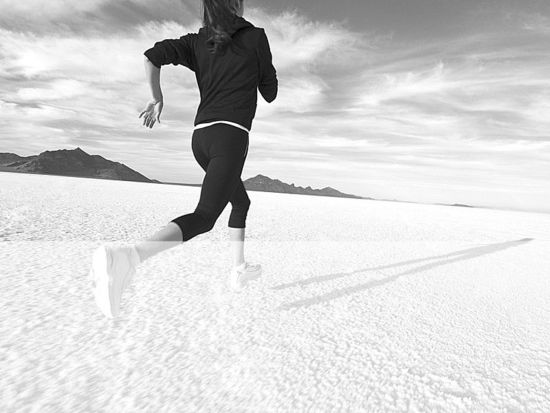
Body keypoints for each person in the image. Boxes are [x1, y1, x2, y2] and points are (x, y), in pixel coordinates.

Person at [89, 0, 278, 318]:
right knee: (204, 217)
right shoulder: (255, 36)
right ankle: (128, 258)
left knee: (240, 202)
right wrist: (259, 68)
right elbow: (270, 92)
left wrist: (156, 97)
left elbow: (152, 56)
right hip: (230, 137)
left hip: (201, 139)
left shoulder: (197, 41)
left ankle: (238, 268)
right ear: (236, 4)